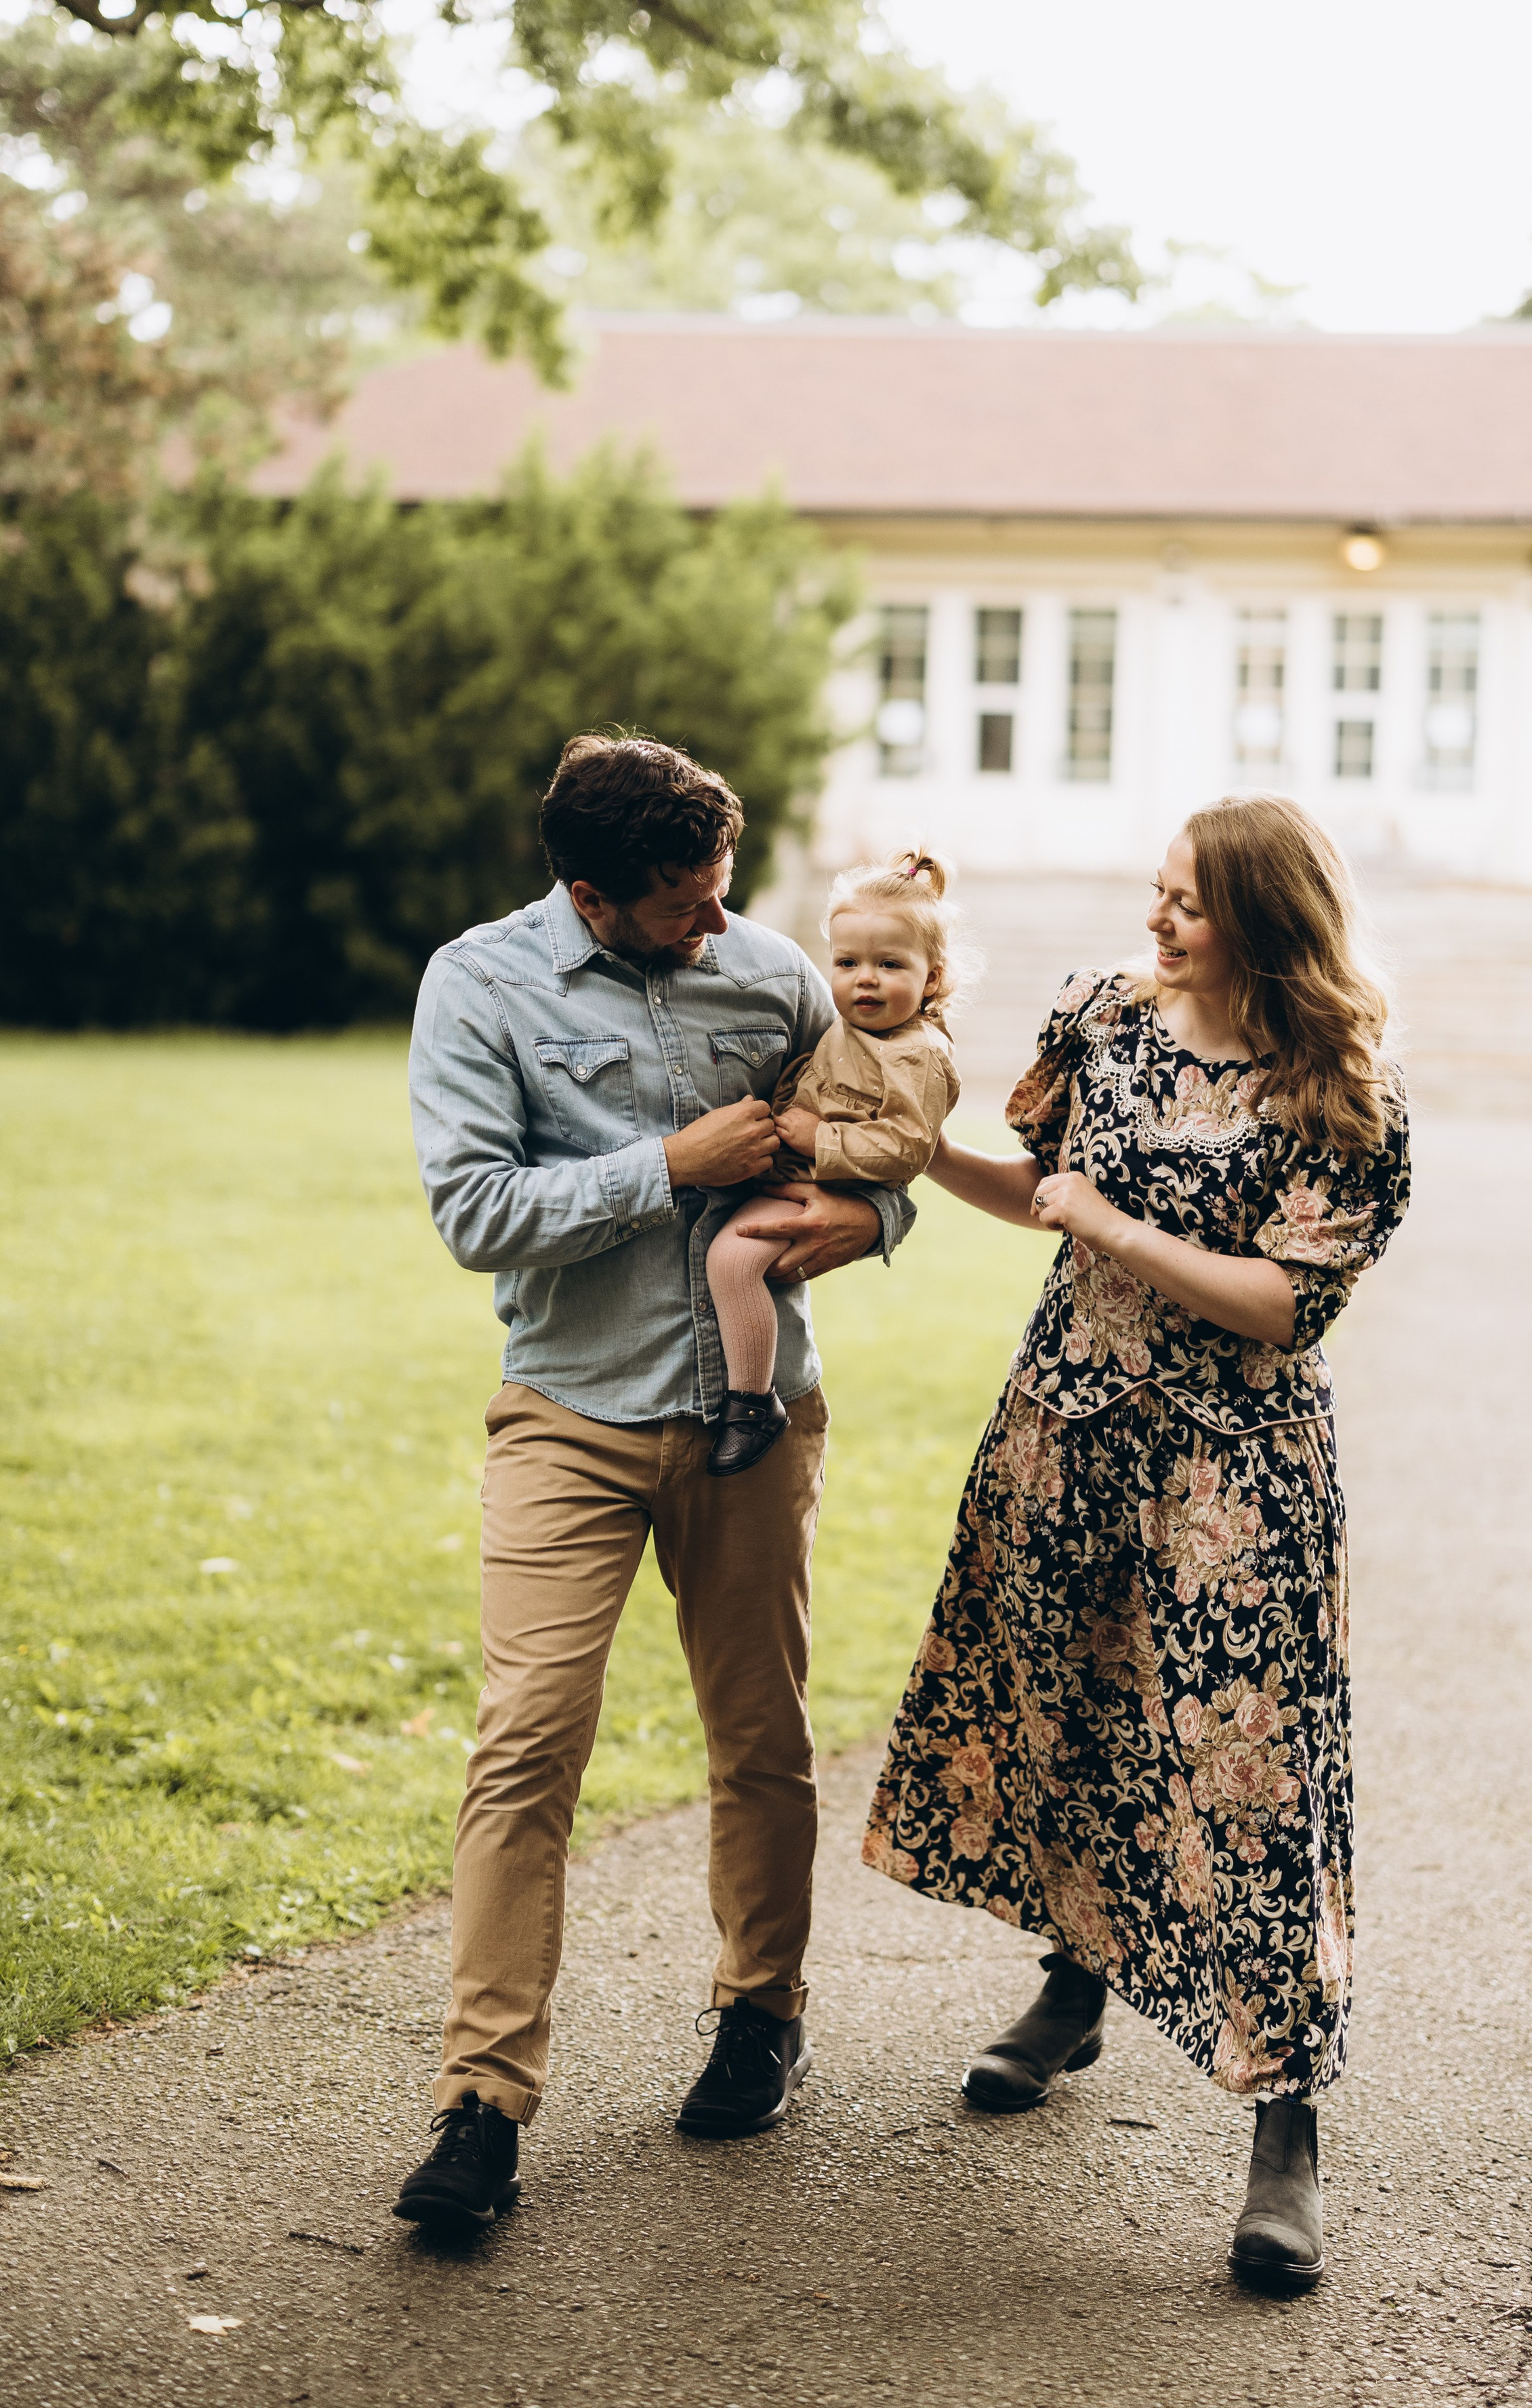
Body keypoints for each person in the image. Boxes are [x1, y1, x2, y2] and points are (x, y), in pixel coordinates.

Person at [863, 795, 1410, 2291]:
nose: (1156, 919)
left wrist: (1113, 1229)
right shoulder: (1102, 1018)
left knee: (1255, 1779)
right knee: (1076, 1718)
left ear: (1265, 920)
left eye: (1187, 901)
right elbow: (1039, 1190)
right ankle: (1072, 1989)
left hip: (1234, 1469)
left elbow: (1284, 1304)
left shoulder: (1337, 1082)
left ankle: (1285, 2126)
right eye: (1155, 891)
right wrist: (916, 1151)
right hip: (1065, 1430)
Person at [394, 733, 915, 2229]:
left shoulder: (775, 977)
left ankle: (761, 2009)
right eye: (688, 900)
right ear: (590, 893)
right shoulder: (479, 984)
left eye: (723, 885)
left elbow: (885, 1145)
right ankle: (481, 2102)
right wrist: (671, 1166)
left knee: (762, 1734)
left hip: (757, 1419)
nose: (720, 919)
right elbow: (475, 1212)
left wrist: (869, 1224)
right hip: (569, 1415)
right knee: (525, 1743)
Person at [704, 851, 962, 1475]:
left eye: (889, 964)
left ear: (931, 978)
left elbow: (911, 1146)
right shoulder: (854, 1027)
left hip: (827, 1183)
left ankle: (752, 1402)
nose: (864, 980)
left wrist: (822, 1138)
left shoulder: (919, 1055)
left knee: (732, 1260)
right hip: (795, 1168)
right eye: (847, 963)